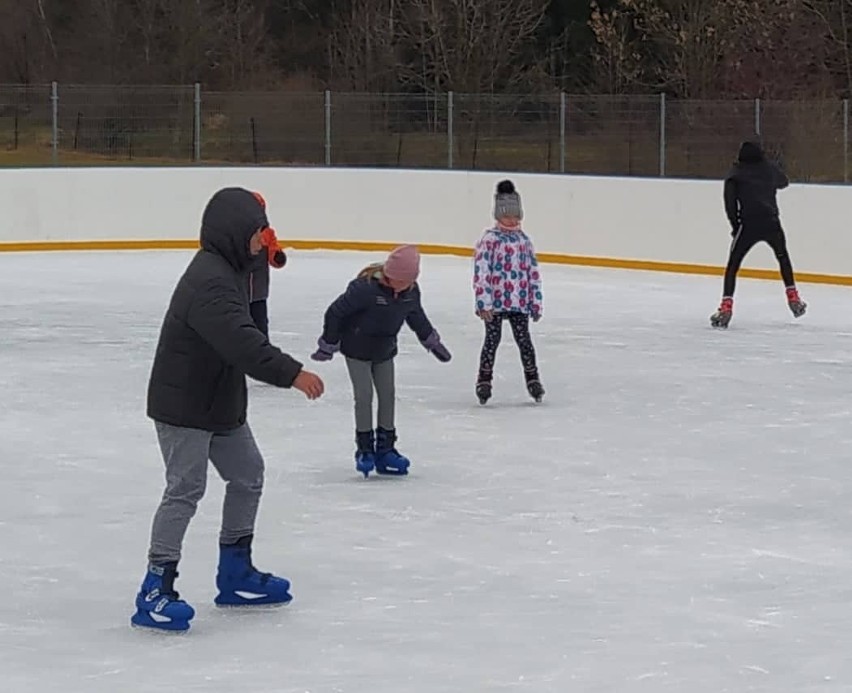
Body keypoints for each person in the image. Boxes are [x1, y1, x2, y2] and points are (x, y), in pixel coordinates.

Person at [132, 187, 325, 633]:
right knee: (186, 488)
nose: (263, 240)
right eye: (258, 233)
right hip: (183, 404)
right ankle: (155, 587)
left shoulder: (233, 269)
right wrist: (293, 373)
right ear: (235, 233)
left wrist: (263, 259)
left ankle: (235, 572)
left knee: (247, 473)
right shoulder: (210, 280)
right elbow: (242, 341)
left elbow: (249, 326)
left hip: (218, 398)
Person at [310, 245, 451, 478]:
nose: (405, 285)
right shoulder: (364, 290)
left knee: (387, 396)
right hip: (356, 349)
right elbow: (335, 312)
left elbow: (417, 318)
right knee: (364, 396)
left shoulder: (410, 292)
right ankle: (364, 449)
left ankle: (386, 449)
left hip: (385, 351)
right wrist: (328, 344)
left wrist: (432, 342)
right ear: (391, 275)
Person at [710, 138, 806, 328]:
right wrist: (770, 170)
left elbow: (729, 203)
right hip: (771, 221)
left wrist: (735, 225)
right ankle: (793, 297)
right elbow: (784, 182)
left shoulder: (735, 174)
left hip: (749, 224)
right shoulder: (768, 168)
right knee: (782, 257)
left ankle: (726, 307)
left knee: (733, 266)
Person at [473, 179, 544, 404]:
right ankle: (484, 380)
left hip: (519, 302)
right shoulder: (489, 240)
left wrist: (535, 302)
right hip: (495, 302)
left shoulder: (524, 241)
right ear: (497, 216)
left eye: (515, 216)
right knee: (492, 341)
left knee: (524, 341)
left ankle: (533, 379)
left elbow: (532, 272)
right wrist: (483, 302)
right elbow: (481, 271)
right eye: (506, 216)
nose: (511, 220)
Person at [247, 192, 287, 338]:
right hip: (238, 290)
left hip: (258, 291)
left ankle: (261, 354)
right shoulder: (236, 231)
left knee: (260, 325)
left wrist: (277, 257)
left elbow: (273, 250)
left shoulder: (267, 233)